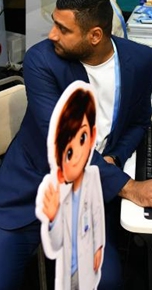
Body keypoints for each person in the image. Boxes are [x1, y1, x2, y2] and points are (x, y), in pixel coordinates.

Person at [0, 0, 152, 290]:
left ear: (95, 35)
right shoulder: (41, 61)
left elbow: (138, 122)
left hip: (89, 192)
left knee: (104, 283)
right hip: (31, 188)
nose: (52, 35)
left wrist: (115, 158)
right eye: (54, 24)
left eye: (63, 29)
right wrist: (129, 186)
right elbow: (63, 139)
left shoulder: (140, 61)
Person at [37, 83, 104, 290]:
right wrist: (52, 217)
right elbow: (56, 244)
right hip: (69, 272)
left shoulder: (92, 177)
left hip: (88, 267)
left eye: (82, 138)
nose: (75, 158)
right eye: (68, 153)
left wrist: (99, 245)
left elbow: (97, 214)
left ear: (92, 136)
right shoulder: (60, 192)